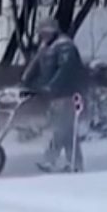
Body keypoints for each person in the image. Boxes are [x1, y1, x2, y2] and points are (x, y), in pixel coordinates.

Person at [21, 16, 89, 172]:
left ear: (53, 31)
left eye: (45, 32)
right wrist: (25, 81)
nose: (42, 36)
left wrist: (51, 87)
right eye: (41, 33)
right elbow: (34, 66)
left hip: (68, 94)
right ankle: (75, 164)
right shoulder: (46, 47)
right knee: (66, 131)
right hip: (56, 96)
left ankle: (52, 160)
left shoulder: (65, 47)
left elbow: (65, 71)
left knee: (63, 129)